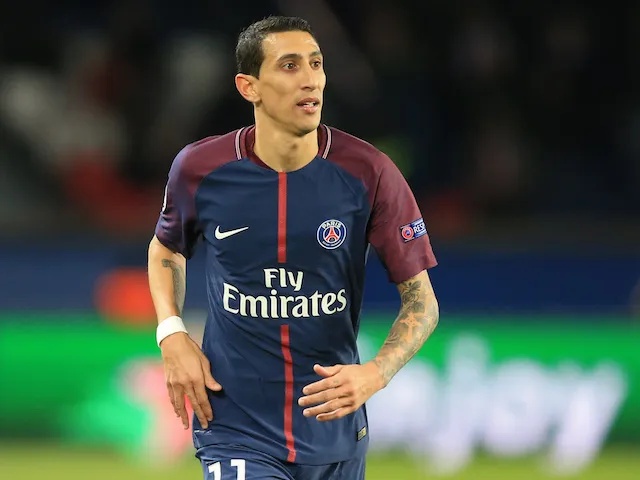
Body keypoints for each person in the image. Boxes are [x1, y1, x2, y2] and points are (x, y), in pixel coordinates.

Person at [148, 15, 439, 480]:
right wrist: (171, 332)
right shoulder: (201, 169)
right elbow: (166, 250)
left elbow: (422, 302)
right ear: (249, 87)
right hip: (234, 425)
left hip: (334, 431)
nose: (310, 80)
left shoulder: (370, 173)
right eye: (289, 66)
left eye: (316, 64)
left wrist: (376, 373)